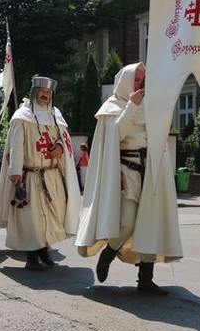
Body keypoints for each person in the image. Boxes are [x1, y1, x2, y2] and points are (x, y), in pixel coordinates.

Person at [75, 62, 182, 295]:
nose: (141, 84)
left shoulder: (150, 104)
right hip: (127, 170)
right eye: (137, 79)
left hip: (152, 169)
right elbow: (116, 134)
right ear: (125, 81)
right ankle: (109, 253)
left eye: (144, 79)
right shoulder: (111, 107)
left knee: (151, 221)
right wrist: (132, 105)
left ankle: (146, 278)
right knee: (127, 222)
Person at [0, 77, 81, 271]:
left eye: (48, 92)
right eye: (42, 91)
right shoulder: (22, 116)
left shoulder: (56, 115)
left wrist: (59, 147)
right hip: (30, 175)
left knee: (50, 215)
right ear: (34, 92)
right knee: (31, 218)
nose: (45, 94)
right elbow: (16, 146)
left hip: (52, 175)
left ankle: (43, 250)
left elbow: (62, 140)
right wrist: (15, 172)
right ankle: (32, 257)